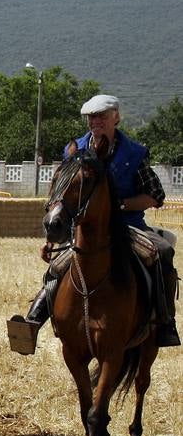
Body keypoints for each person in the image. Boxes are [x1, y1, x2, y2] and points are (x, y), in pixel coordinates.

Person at [17, 94, 178, 347]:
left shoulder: (134, 153)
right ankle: (33, 321)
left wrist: (120, 205)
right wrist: (51, 238)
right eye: (92, 117)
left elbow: (154, 195)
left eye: (102, 116)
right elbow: (61, 194)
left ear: (116, 117)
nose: (96, 122)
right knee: (57, 267)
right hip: (83, 231)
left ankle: (165, 322)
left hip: (129, 226)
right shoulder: (75, 151)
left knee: (163, 252)